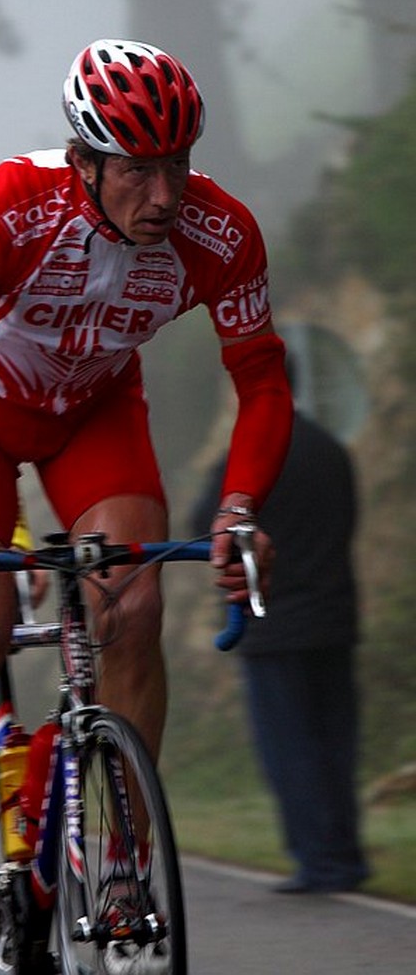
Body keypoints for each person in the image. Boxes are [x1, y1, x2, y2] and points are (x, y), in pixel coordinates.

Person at [0, 38, 294, 975]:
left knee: (135, 607)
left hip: (95, 411)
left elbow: (262, 381)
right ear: (84, 162)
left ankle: (119, 859)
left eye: (180, 163)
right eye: (139, 170)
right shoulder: (5, 206)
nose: (164, 195)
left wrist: (237, 508)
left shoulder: (218, 232)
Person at [191, 363, 370, 894]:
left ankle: (320, 862)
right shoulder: (330, 450)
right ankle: (347, 855)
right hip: (335, 617)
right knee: (337, 744)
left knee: (290, 748)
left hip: (274, 625)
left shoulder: (246, 467)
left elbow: (205, 525)